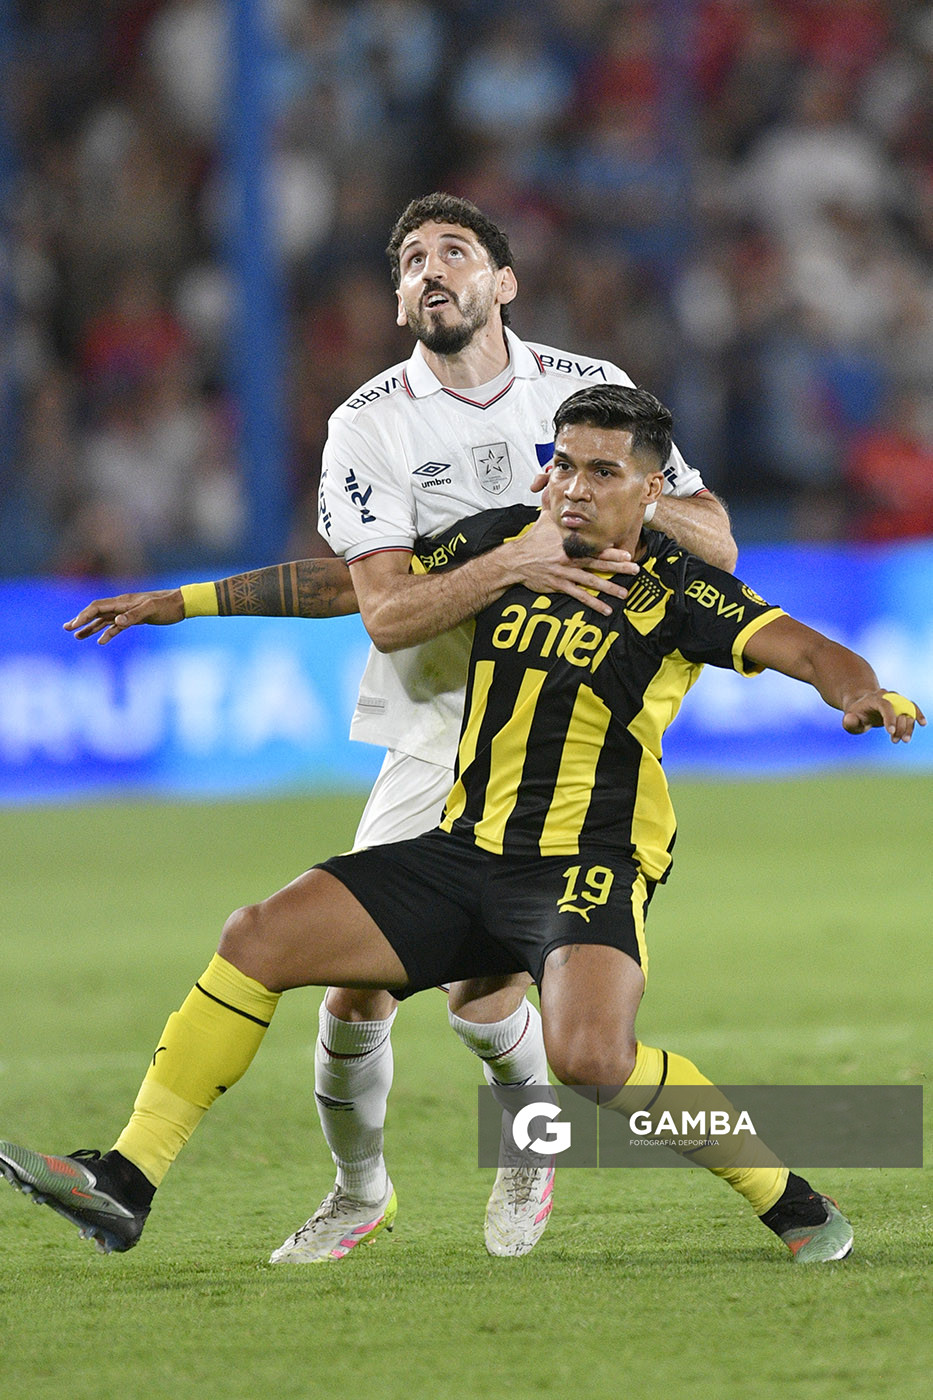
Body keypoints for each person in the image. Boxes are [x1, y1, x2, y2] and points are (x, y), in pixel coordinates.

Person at [1, 384, 923, 1266]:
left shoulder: (676, 589)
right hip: (466, 848)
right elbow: (352, 589)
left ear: (652, 491)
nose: (573, 486)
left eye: (603, 472)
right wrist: (182, 600)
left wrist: (860, 693)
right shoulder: (503, 546)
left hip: (582, 867)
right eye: (562, 465)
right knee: (255, 938)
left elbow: (804, 645)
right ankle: (126, 1179)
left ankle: (790, 1200)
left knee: (591, 1059)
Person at [63, 192, 737, 1263]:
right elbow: (373, 597)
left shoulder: (592, 403)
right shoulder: (369, 423)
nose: (429, 268)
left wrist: (602, 491)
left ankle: (532, 1146)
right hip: (434, 734)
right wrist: (187, 598)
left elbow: (717, 543)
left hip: (563, 746)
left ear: (503, 283)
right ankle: (358, 1187)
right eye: (409, 258)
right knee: (352, 991)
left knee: (500, 1007)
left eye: (454, 251)